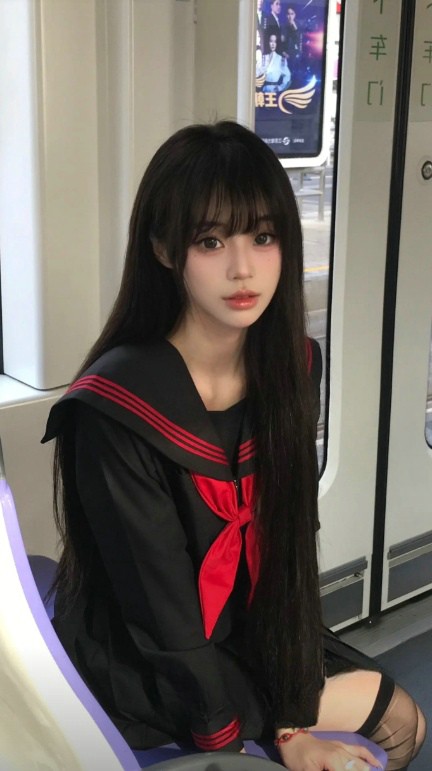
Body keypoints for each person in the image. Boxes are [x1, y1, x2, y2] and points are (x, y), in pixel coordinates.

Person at [43, 121, 426, 770]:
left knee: (404, 722)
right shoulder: (115, 408)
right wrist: (250, 739)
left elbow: (290, 545)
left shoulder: (293, 366)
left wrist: (292, 715)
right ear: (165, 249)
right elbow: (159, 614)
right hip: (145, 657)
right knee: (393, 719)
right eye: (211, 241)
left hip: (249, 628)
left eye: (263, 236)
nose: (243, 268)